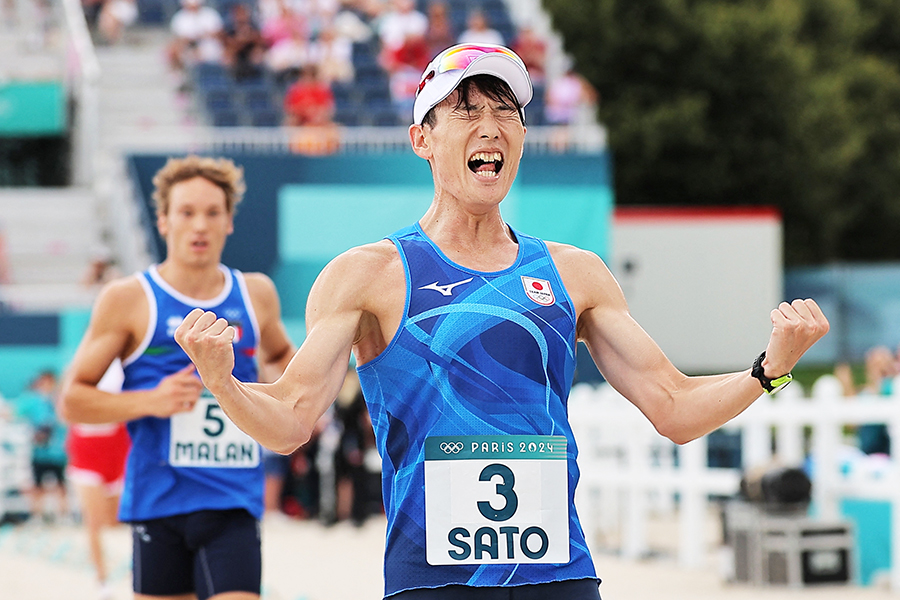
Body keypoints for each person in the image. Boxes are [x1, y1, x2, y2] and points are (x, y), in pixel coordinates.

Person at [175, 44, 829, 599]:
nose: (490, 126)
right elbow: (291, 418)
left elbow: (674, 405)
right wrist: (222, 382)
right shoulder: (367, 275)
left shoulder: (576, 273)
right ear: (422, 139)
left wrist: (768, 370)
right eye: (467, 110)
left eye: (505, 111)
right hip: (432, 578)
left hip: (559, 574)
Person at [58, 155, 295, 600]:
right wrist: (150, 400)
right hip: (157, 502)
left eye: (212, 213)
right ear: (164, 221)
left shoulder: (255, 293)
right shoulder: (129, 298)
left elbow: (285, 359)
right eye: (186, 212)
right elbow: (71, 400)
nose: (199, 225)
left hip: (233, 500)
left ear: (229, 222)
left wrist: (275, 401)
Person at [65, 360, 131, 600]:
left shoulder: (125, 366)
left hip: (117, 447)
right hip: (87, 452)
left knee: (114, 521)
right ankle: (101, 579)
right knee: (93, 521)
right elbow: (65, 408)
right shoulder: (78, 368)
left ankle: (124, 569)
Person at [14, 370, 70, 525]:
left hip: (58, 452)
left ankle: (63, 516)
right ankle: (37, 517)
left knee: (60, 486)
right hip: (39, 452)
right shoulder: (32, 401)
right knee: (37, 486)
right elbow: (15, 412)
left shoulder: (59, 400)